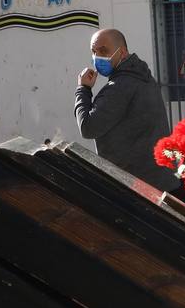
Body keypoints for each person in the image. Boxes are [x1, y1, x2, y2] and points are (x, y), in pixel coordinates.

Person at [74, 28, 177, 192]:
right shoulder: (144, 76)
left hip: (139, 185)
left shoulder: (120, 86)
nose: (97, 57)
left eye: (103, 51)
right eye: (94, 52)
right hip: (161, 178)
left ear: (121, 52)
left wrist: (83, 89)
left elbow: (88, 127)